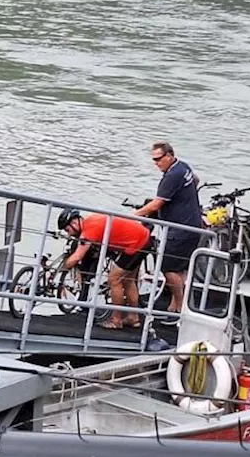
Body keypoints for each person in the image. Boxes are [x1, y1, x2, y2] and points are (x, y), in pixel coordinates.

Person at [133, 141, 202, 323]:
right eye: (153, 160)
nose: (156, 163)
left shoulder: (172, 176)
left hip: (181, 228)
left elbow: (157, 203)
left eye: (158, 159)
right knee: (178, 268)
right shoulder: (183, 167)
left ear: (169, 156)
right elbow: (196, 180)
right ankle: (175, 306)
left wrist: (134, 215)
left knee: (167, 267)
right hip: (193, 224)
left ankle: (179, 309)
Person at [58, 208, 157, 330]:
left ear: (74, 223)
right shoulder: (91, 219)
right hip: (143, 238)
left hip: (135, 244)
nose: (69, 234)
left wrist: (62, 269)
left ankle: (116, 320)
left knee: (114, 279)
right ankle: (133, 317)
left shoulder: (88, 232)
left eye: (68, 230)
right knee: (128, 280)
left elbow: (77, 256)